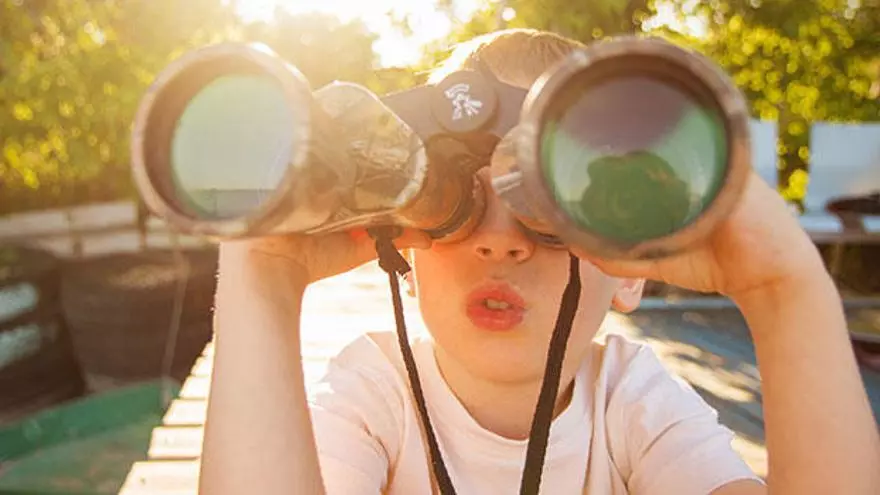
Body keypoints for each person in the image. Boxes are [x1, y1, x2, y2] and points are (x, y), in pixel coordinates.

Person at [199, 29, 880, 494]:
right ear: (401, 241)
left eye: (557, 206)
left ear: (631, 267)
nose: (502, 241)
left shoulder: (630, 398)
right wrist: (263, 274)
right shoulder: (374, 391)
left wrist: (784, 288)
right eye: (456, 202)